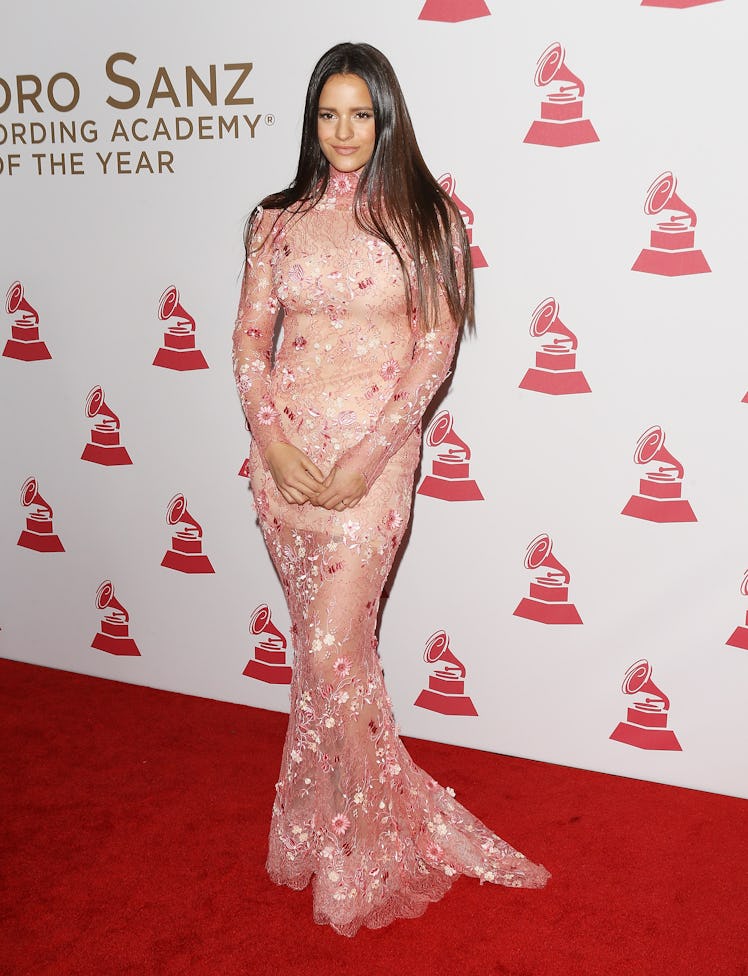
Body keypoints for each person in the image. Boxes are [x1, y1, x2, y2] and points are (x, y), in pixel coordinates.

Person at [232, 41, 549, 937]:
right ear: (312, 120)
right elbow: (249, 341)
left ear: (387, 117)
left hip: (371, 471)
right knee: (321, 659)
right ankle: (326, 827)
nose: (342, 132)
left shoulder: (428, 220)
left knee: (335, 652)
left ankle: (368, 839)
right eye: (327, 115)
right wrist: (272, 443)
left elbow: (432, 354)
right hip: (285, 468)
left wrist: (367, 458)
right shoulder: (273, 222)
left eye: (359, 115)